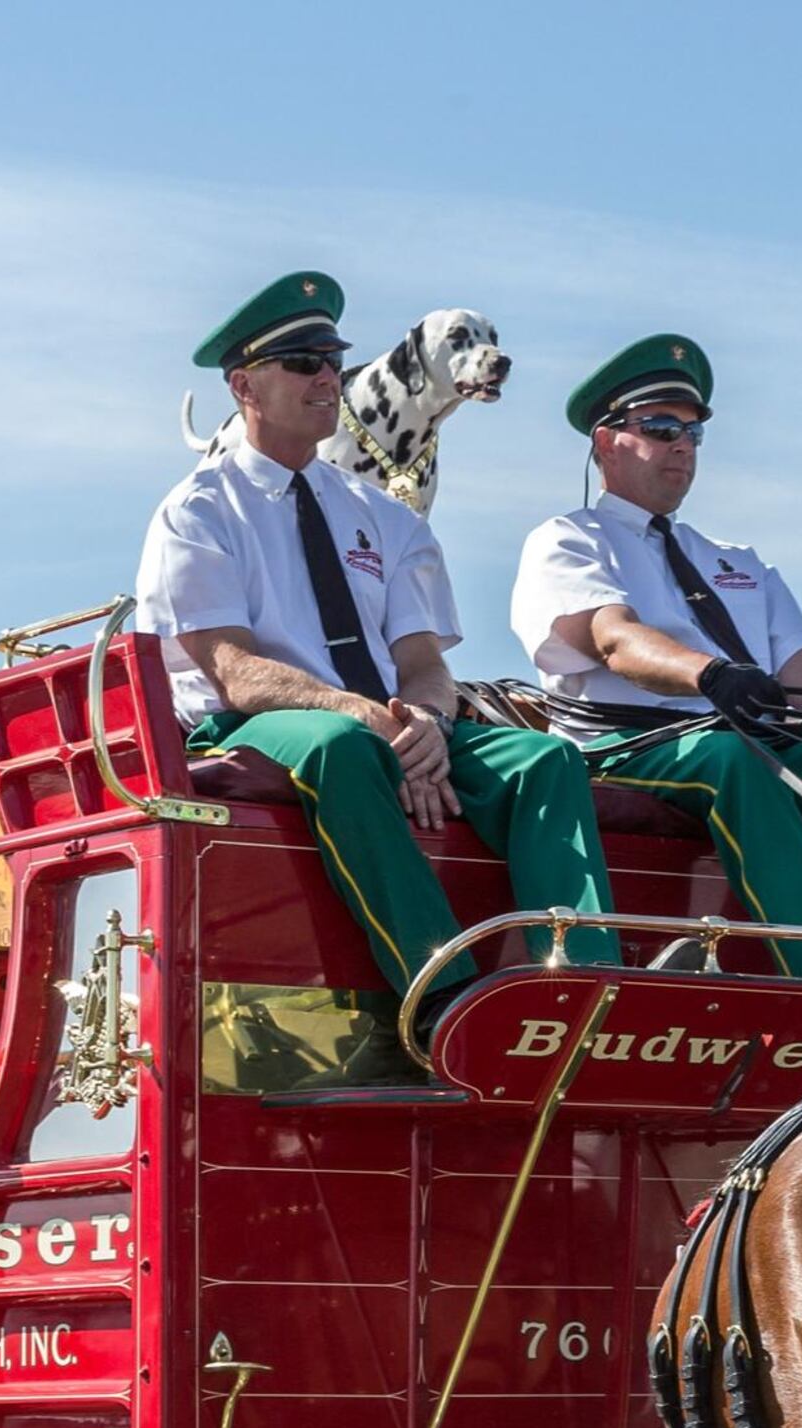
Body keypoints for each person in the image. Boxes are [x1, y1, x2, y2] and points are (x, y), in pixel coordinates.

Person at [131, 270, 620, 1057]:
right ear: (244, 386)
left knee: (546, 759)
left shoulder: (383, 517)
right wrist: (372, 716)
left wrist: (425, 716)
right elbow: (236, 670)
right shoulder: (198, 510)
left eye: (331, 358)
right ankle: (444, 999)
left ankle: (585, 995)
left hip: (390, 721)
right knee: (339, 747)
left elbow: (421, 659)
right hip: (249, 727)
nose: (327, 377)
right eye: (301, 362)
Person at [508, 335, 802, 990]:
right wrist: (709, 676)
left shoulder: (736, 559)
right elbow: (614, 638)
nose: (682, 444)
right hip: (633, 744)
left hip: (752, 741)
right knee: (735, 759)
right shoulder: (568, 540)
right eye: (660, 427)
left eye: (694, 432)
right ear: (606, 441)